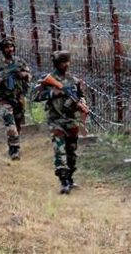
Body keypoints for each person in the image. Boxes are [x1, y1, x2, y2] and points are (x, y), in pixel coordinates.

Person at [32, 50, 89, 194]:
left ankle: (70, 178)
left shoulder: (74, 81)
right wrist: (53, 93)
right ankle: (63, 182)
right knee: (59, 150)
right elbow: (34, 95)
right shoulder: (48, 79)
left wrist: (82, 104)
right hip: (55, 120)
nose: (66, 65)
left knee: (71, 151)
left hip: (71, 120)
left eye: (67, 62)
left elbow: (81, 96)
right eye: (63, 62)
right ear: (57, 64)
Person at [0, 37, 32, 160]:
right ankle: (15, 150)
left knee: (18, 125)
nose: (10, 49)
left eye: (11, 46)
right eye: (7, 47)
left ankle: (13, 145)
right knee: (10, 125)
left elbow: (29, 76)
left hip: (18, 98)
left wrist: (23, 75)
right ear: (2, 49)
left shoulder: (19, 62)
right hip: (4, 99)